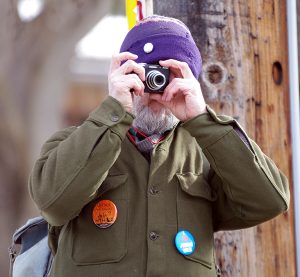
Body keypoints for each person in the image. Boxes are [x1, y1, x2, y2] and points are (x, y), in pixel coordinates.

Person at [29, 15, 290, 277]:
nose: (157, 87)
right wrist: (114, 110)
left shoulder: (208, 156)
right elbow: (53, 202)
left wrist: (201, 118)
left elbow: (269, 201)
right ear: (125, 73)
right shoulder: (73, 142)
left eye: (170, 76)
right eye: (147, 73)